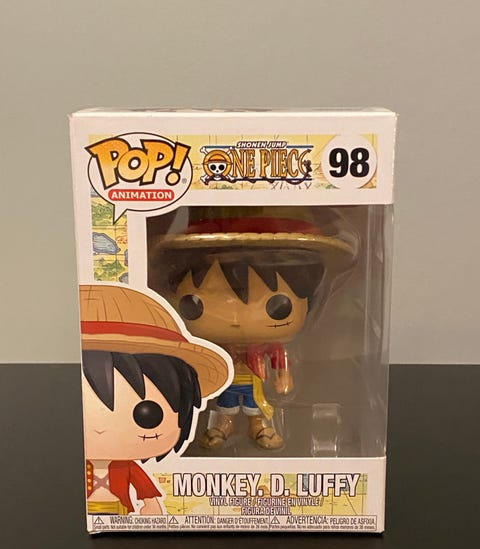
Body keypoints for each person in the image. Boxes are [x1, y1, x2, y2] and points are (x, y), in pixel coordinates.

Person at [149, 206, 356, 450]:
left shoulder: (270, 347)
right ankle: (223, 426)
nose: (236, 317)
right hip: (227, 382)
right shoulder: (214, 348)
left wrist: (284, 378)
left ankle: (259, 427)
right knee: (225, 407)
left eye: (277, 306)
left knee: (255, 408)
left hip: (255, 384)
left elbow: (280, 361)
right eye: (195, 304)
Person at [80, 284, 230, 514]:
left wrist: (150, 504)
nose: (100, 429)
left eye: (147, 415)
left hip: (120, 513)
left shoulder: (126, 467)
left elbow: (144, 487)